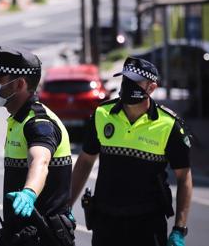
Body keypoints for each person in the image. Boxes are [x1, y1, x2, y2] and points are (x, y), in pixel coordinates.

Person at [70, 57, 193, 246]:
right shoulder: (102, 115)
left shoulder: (170, 126)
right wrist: (67, 205)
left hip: (147, 225)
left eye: (135, 82)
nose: (127, 85)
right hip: (105, 222)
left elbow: (184, 177)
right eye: (125, 80)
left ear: (151, 88)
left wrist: (179, 229)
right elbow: (86, 160)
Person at [0, 46, 74, 246]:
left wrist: (29, 192)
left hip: (44, 238)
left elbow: (41, 160)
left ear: (19, 84)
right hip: (22, 236)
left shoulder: (39, 123)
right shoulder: (18, 121)